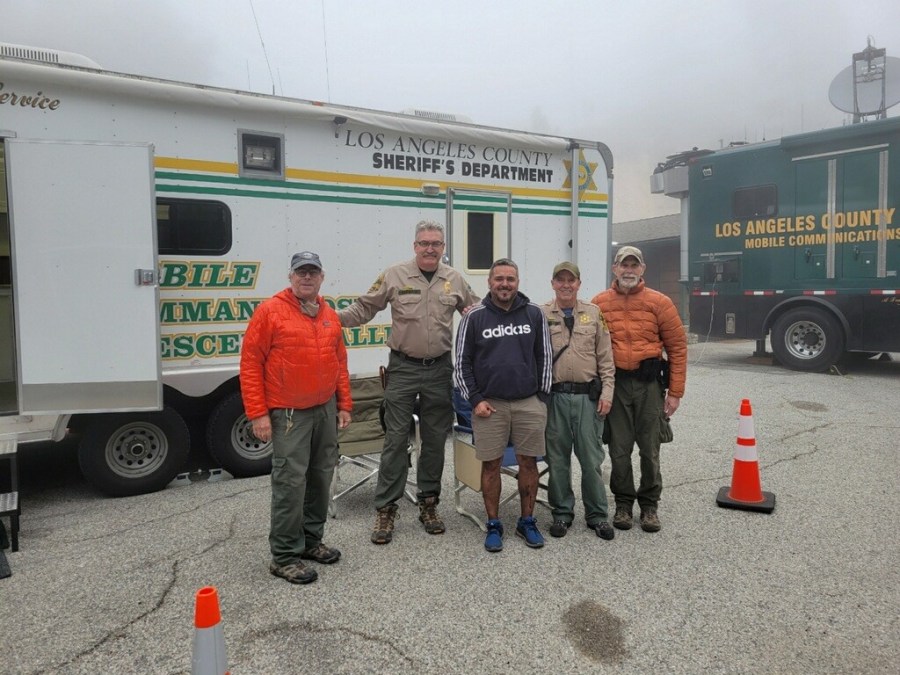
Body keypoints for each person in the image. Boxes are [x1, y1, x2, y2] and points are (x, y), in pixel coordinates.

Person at [338, 221, 479, 544]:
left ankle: (429, 504)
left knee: (433, 441)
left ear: (443, 247)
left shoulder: (454, 279)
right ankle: (386, 509)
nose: (430, 248)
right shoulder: (394, 275)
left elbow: (475, 313)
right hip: (402, 368)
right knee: (395, 439)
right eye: (424, 243)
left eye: (436, 244)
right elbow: (364, 307)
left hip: (439, 370)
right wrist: (331, 319)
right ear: (414, 246)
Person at [240, 251, 352, 584]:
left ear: (322, 277)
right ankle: (284, 556)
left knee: (320, 477)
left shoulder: (329, 314)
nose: (307, 277)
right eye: (301, 272)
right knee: (290, 483)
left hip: (324, 409)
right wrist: (258, 414)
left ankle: (311, 542)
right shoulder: (270, 312)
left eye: (312, 272)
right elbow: (250, 365)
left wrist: (344, 404)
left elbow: (339, 364)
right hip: (289, 413)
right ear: (290, 277)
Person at [454, 258, 552, 552]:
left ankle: (527, 521)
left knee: (528, 462)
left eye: (510, 279)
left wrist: (541, 398)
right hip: (490, 406)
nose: (504, 284)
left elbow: (544, 356)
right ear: (489, 282)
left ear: (518, 282)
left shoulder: (534, 314)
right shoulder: (474, 317)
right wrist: (475, 400)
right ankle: (494, 524)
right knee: (491, 464)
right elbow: (461, 364)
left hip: (528, 403)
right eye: (499, 279)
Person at [591, 245, 687, 533]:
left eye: (635, 265)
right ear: (615, 269)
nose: (629, 270)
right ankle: (622, 503)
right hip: (616, 385)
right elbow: (589, 347)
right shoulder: (599, 304)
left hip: (649, 387)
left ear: (643, 269)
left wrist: (675, 392)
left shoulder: (660, 302)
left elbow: (678, 348)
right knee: (619, 448)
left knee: (650, 448)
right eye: (624, 265)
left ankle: (648, 505)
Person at [541, 261, 617, 541]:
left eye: (570, 280)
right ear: (552, 284)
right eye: (560, 280)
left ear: (578, 284)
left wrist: (607, 393)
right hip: (555, 398)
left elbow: (606, 360)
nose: (565, 285)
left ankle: (597, 515)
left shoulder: (595, 314)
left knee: (591, 459)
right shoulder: (541, 314)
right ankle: (561, 513)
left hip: (588, 398)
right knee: (557, 460)